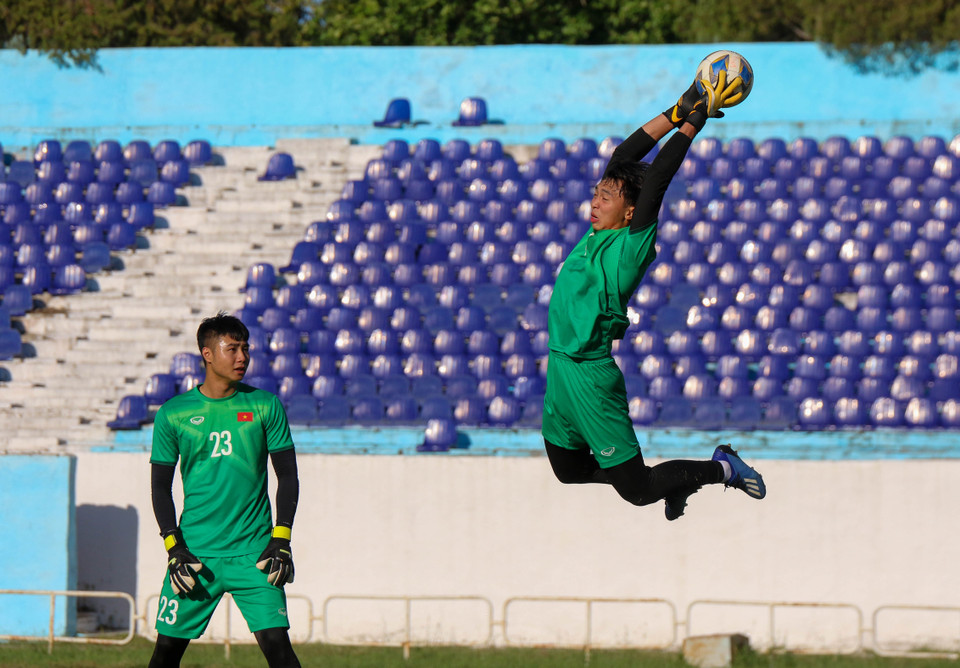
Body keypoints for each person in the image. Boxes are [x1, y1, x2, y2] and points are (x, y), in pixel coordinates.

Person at [542, 77, 766, 520]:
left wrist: (692, 127)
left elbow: (657, 180)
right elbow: (623, 158)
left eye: (606, 197)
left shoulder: (630, 247)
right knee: (567, 470)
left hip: (589, 376)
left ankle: (722, 469)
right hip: (561, 369)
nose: (595, 200)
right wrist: (675, 111)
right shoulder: (597, 233)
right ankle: (677, 479)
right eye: (595, 193)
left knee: (639, 491)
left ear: (630, 211)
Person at [148, 312, 302, 667]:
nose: (242, 357)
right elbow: (159, 487)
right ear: (207, 354)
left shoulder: (265, 405)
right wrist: (174, 547)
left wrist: (281, 539)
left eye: (245, 349)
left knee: (280, 651)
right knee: (165, 655)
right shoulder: (173, 413)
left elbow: (288, 477)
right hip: (196, 555)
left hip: (256, 554)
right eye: (232, 349)